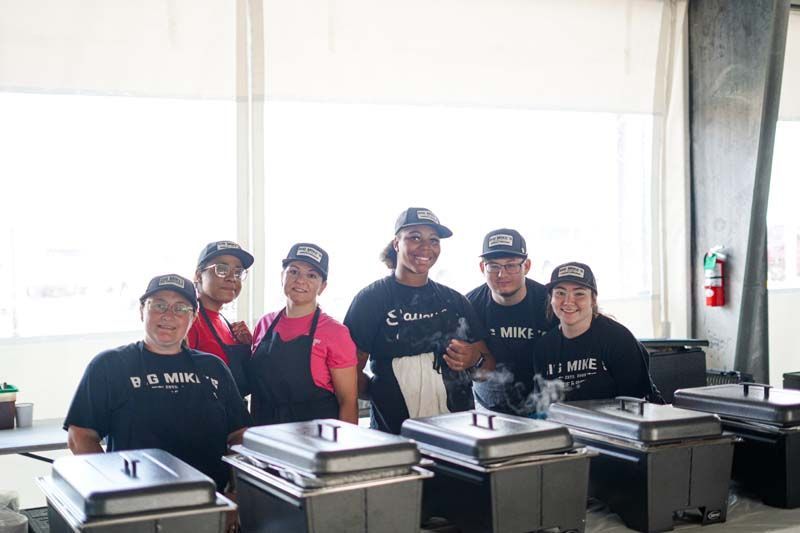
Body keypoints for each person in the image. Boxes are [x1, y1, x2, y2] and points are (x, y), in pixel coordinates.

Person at [64, 274, 250, 491]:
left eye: (180, 308)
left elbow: (239, 435)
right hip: (136, 499)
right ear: (142, 311)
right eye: (159, 305)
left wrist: (236, 490)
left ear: (193, 317)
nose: (169, 315)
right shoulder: (109, 365)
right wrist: (113, 486)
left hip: (211, 498)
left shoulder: (214, 367)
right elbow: (80, 436)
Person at [344, 207, 495, 434]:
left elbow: (487, 370)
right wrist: (382, 392)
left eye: (433, 240)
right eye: (415, 237)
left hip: (457, 434)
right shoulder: (371, 300)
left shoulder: (454, 301)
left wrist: (474, 359)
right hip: (394, 435)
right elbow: (347, 372)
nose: (426, 247)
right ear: (396, 243)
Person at [250, 243, 358, 425]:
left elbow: (347, 401)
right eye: (293, 271)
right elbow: (257, 390)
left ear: (322, 286)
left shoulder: (336, 332)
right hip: (264, 433)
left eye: (311, 275)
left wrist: (346, 443)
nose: (300, 280)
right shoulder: (264, 324)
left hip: (314, 438)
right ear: (282, 276)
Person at [533, 262, 659, 402]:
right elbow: (544, 404)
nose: (568, 301)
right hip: (569, 416)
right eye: (560, 293)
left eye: (579, 294)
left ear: (593, 300)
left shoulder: (618, 339)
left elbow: (637, 404)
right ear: (551, 299)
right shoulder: (544, 348)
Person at [467, 228, 554, 414]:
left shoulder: (550, 302)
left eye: (511, 265)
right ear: (482, 268)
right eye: (493, 266)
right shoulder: (469, 306)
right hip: (488, 409)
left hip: (545, 407)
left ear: (526, 266)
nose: (502, 274)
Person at [188, 240, 255, 396]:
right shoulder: (190, 322)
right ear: (199, 275)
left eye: (238, 272)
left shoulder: (226, 323)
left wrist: (249, 346)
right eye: (222, 269)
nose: (232, 278)